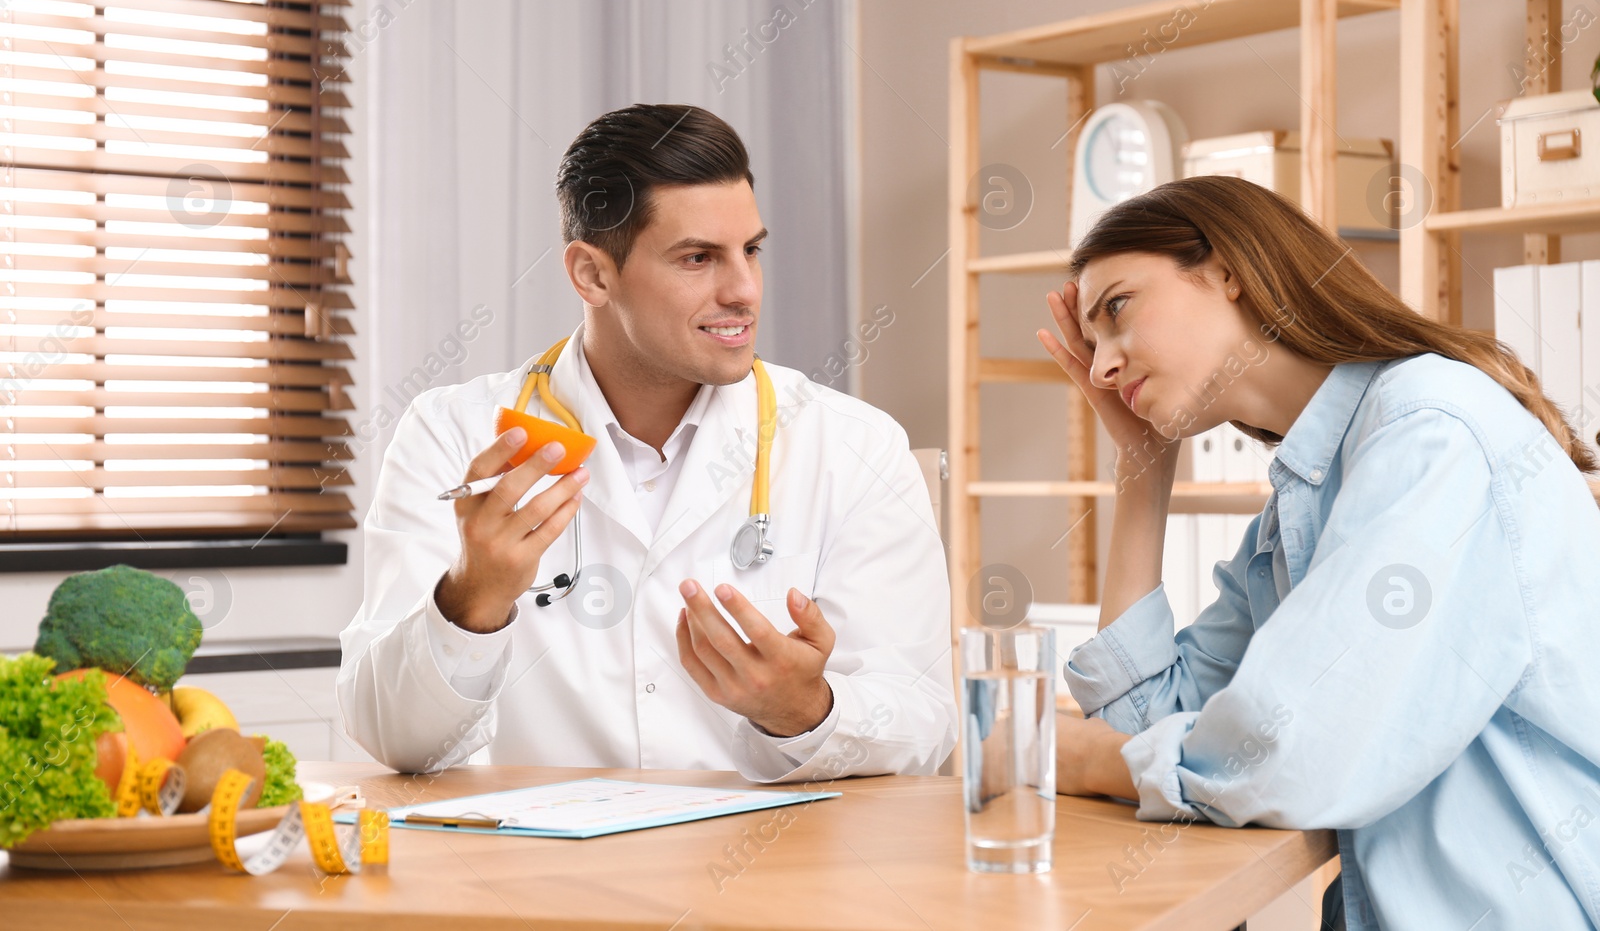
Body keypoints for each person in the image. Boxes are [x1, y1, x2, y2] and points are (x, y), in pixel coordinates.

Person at [1038, 176, 1600, 930]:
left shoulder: (1432, 432)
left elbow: (1281, 751)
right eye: (1093, 343)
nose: (1101, 366)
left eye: (1116, 309)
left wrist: (1068, 756)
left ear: (1227, 269)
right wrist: (1142, 476)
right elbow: (1149, 729)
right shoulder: (1300, 508)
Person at [337, 104, 955, 784]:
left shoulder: (854, 444)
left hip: (772, 877)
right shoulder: (452, 432)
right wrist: (470, 601)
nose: (744, 290)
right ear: (593, 275)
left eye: (750, 250)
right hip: (544, 881)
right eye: (698, 258)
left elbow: (923, 721)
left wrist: (804, 708)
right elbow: (392, 738)